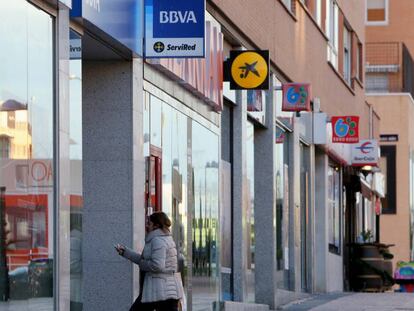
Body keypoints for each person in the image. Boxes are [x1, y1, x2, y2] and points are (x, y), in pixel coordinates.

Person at [115, 212, 183, 311]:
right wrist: (125, 252)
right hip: (163, 289)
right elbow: (144, 260)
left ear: (156, 225)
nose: (147, 225)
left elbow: (157, 265)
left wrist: (142, 265)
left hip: (159, 289)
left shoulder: (157, 241)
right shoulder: (163, 238)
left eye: (149, 223)